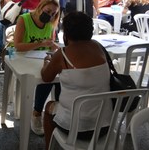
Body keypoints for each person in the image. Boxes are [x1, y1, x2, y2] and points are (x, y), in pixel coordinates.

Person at [41, 12, 111, 150]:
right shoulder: (98, 47)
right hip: (105, 125)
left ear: (66, 33)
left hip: (74, 127)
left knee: (49, 106)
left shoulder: (63, 54)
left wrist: (46, 63)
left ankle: (49, 147)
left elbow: (46, 77)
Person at [13, 0, 60, 136]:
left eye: (53, 14)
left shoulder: (50, 24)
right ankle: (37, 113)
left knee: (60, 76)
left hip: (41, 59)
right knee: (47, 79)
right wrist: (40, 44)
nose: (50, 15)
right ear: (40, 6)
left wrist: (54, 47)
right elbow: (18, 46)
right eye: (48, 11)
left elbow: (50, 44)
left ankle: (59, 111)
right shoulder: (24, 19)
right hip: (23, 59)